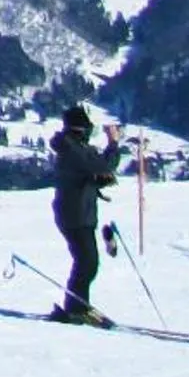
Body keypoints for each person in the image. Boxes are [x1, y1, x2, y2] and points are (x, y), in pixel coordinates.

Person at [48, 104, 125, 324]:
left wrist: (97, 181)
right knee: (87, 262)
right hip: (75, 215)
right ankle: (76, 308)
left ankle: (78, 306)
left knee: (86, 261)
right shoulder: (73, 149)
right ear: (80, 128)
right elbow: (103, 164)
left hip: (80, 212)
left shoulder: (73, 147)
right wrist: (113, 143)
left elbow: (84, 174)